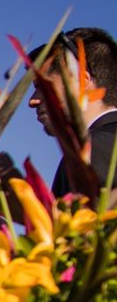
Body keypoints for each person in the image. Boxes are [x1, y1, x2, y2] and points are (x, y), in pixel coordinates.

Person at [28, 27, 117, 199]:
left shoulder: (89, 153)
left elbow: (86, 224)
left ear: (81, 81)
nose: (33, 101)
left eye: (43, 86)